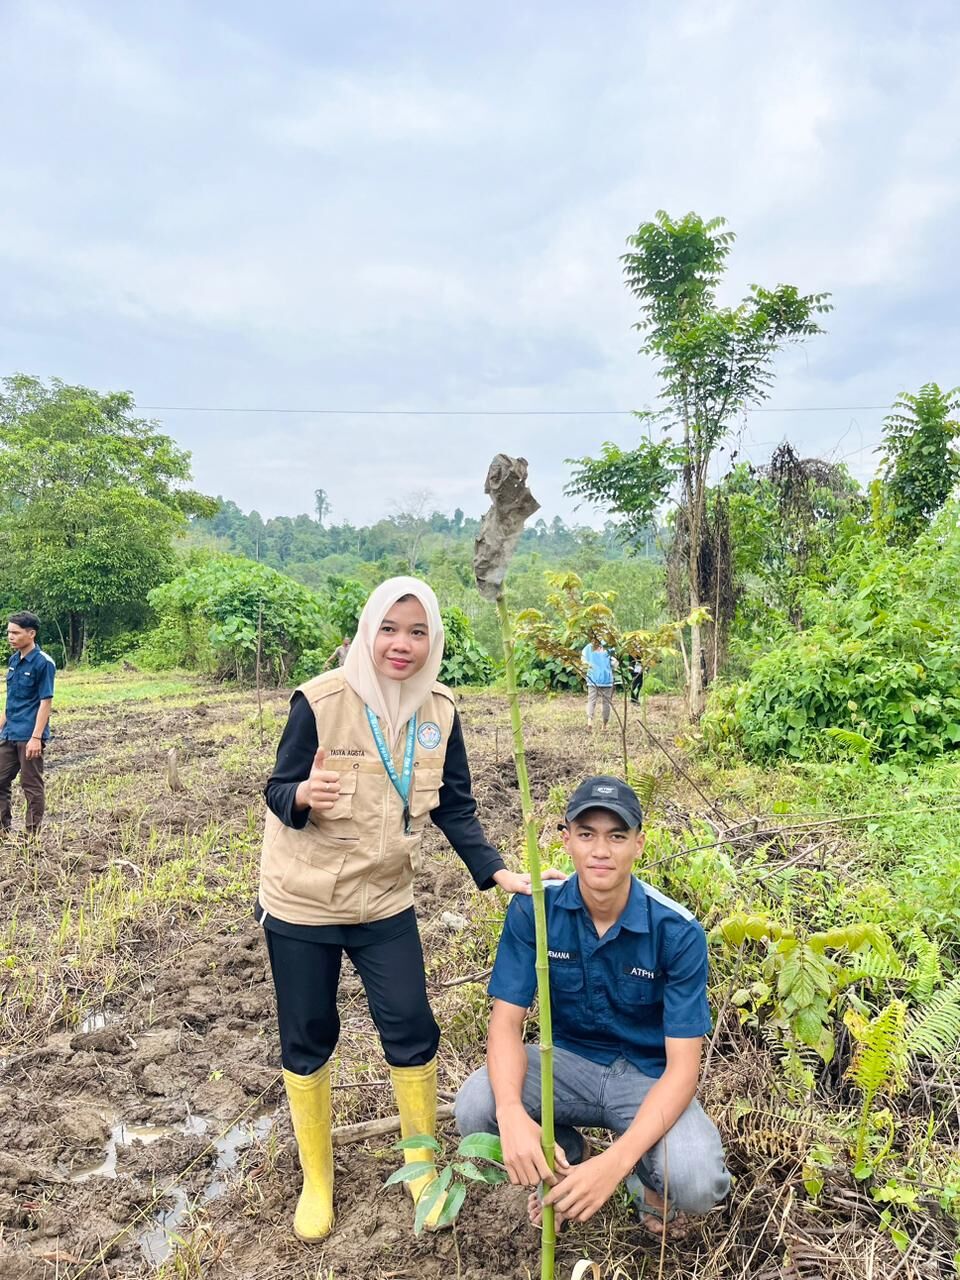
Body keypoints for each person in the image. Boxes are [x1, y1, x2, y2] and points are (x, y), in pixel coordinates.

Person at [258, 577, 559, 1242]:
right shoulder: (321, 700)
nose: (403, 644)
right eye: (391, 628)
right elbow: (276, 790)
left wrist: (497, 868)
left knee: (411, 1025)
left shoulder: (440, 711)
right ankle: (318, 1178)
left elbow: (453, 803)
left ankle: (421, 1165)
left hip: (384, 896)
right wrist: (304, 792)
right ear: (369, 630)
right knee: (308, 1034)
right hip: (303, 899)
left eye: (417, 632)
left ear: (434, 640)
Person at [455, 775, 731, 1238]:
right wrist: (511, 1113)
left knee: (697, 1181)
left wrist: (615, 1165)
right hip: (566, 1065)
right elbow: (505, 1026)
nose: (601, 850)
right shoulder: (534, 912)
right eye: (587, 835)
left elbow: (684, 1069)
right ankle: (562, 1160)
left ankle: (648, 1185)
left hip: (647, 1078)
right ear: (566, 840)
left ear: (639, 844)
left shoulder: (678, 932)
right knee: (478, 1105)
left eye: (617, 836)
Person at [0, 612, 56, 836]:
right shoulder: (14, 660)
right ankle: (3, 830)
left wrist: (36, 737)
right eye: (8, 633)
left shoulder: (44, 663)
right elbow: (11, 700)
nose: (10, 637)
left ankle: (31, 837)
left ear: (31, 634)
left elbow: (45, 702)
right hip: (10, 732)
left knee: (31, 786)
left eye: (15, 632)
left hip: (29, 735)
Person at [581, 638, 615, 731]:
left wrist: (588, 667)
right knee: (606, 703)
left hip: (593, 678)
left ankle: (589, 721)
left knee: (591, 701)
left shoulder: (588, 647)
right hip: (607, 679)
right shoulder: (609, 648)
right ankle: (604, 725)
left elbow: (583, 660)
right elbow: (614, 663)